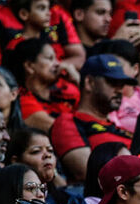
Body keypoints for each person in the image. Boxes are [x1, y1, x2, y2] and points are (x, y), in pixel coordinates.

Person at [50, 54, 134, 183]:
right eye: (112, 82)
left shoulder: (119, 129)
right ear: (89, 83)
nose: (119, 90)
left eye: (122, 84)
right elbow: (86, 171)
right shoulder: (69, 121)